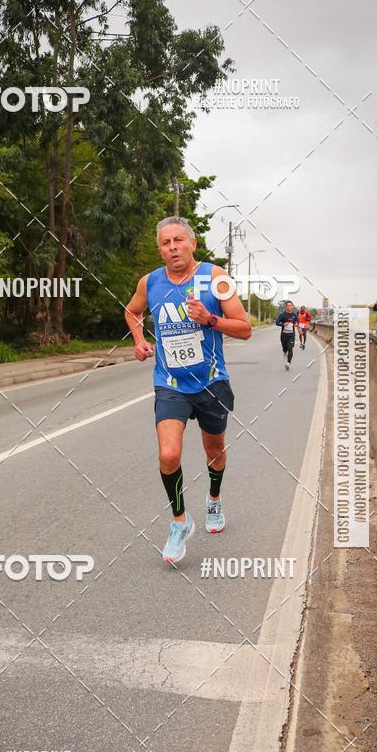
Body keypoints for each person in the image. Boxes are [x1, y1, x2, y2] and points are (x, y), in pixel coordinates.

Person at [124, 216, 252, 564]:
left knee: (214, 450)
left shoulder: (215, 278)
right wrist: (139, 340)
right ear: (160, 249)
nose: (173, 247)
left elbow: (244, 329)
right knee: (168, 455)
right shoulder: (149, 282)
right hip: (170, 384)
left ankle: (214, 499)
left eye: (179, 240)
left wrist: (209, 319)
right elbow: (132, 312)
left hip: (211, 382)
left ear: (193, 244)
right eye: (166, 243)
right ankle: (180, 521)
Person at [276, 301, 298, 369]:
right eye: (288, 305)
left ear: (292, 306)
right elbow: (277, 322)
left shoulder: (295, 315)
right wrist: (283, 324)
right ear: (286, 307)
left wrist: (296, 323)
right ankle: (284, 351)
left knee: (290, 348)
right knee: (285, 348)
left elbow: (296, 321)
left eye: (290, 305)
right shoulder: (282, 315)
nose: (289, 307)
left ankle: (288, 363)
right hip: (284, 335)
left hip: (291, 335)